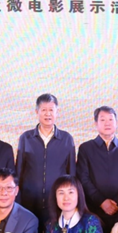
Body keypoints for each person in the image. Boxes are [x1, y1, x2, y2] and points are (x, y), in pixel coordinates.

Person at [16, 93, 76, 225]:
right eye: (44, 110)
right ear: (37, 112)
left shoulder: (66, 139)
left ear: (57, 112)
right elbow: (19, 171)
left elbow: (71, 174)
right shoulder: (26, 138)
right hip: (29, 202)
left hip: (56, 202)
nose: (48, 114)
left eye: (51, 110)